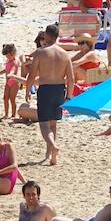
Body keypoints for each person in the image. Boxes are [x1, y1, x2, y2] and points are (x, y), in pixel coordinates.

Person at [25, 24, 74, 165]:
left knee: (44, 124)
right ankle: (51, 156)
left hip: (45, 89)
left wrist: (28, 89)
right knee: (53, 124)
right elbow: (71, 79)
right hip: (59, 89)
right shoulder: (65, 54)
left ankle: (53, 146)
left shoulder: (41, 52)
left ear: (46, 35)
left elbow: (32, 74)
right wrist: (68, 96)